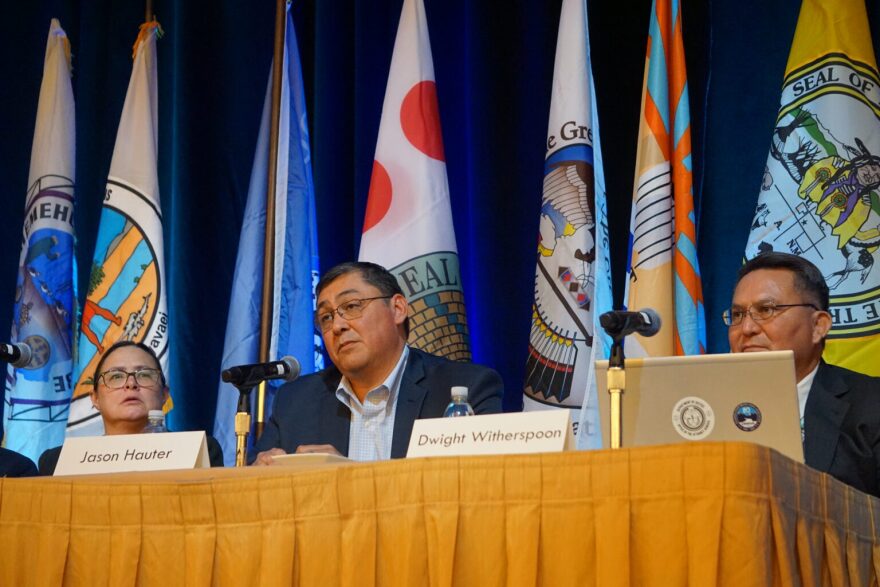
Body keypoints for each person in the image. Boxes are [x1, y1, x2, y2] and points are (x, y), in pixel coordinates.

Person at [252, 261, 504, 464]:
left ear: (397, 309)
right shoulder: (296, 402)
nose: (337, 325)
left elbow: (479, 489)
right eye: (326, 317)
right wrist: (261, 475)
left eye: (351, 306)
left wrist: (350, 480)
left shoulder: (466, 389)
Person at [725, 251, 880, 496]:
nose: (747, 328)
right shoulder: (709, 405)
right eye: (737, 314)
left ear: (818, 325)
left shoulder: (872, 404)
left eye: (766, 310)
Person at [38, 341, 223, 474]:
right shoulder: (57, 462)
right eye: (116, 376)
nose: (131, 384)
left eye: (144, 375)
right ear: (95, 399)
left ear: (165, 395)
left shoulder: (199, 450)